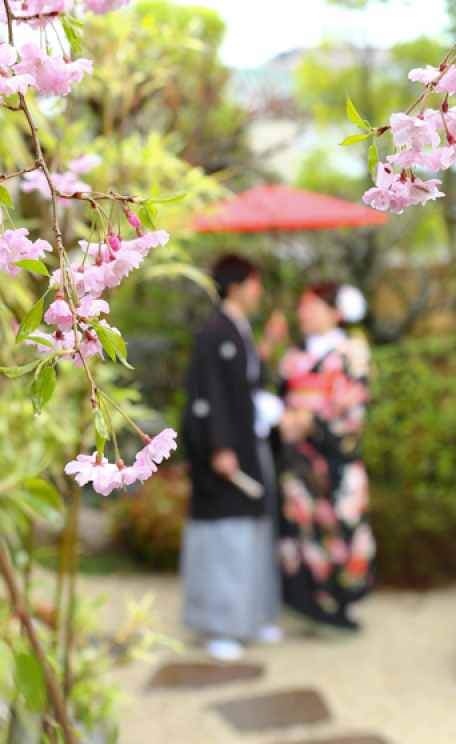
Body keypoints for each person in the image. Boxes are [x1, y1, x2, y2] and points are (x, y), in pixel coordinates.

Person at [181, 254, 285, 661]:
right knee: (227, 536)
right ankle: (219, 624)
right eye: (256, 283)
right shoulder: (215, 333)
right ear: (239, 286)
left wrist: (269, 346)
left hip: (247, 446)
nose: (260, 291)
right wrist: (219, 446)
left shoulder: (237, 331)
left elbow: (243, 384)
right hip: (226, 453)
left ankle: (249, 616)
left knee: (253, 530)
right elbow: (208, 394)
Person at [278, 282, 376, 631]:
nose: (302, 312)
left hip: (336, 459)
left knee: (343, 529)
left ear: (334, 311)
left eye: (311, 305)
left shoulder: (352, 351)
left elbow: (352, 405)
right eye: (301, 305)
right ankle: (307, 605)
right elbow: (280, 397)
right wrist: (284, 418)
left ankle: (341, 605)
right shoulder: (292, 355)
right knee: (301, 528)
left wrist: (306, 420)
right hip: (299, 462)